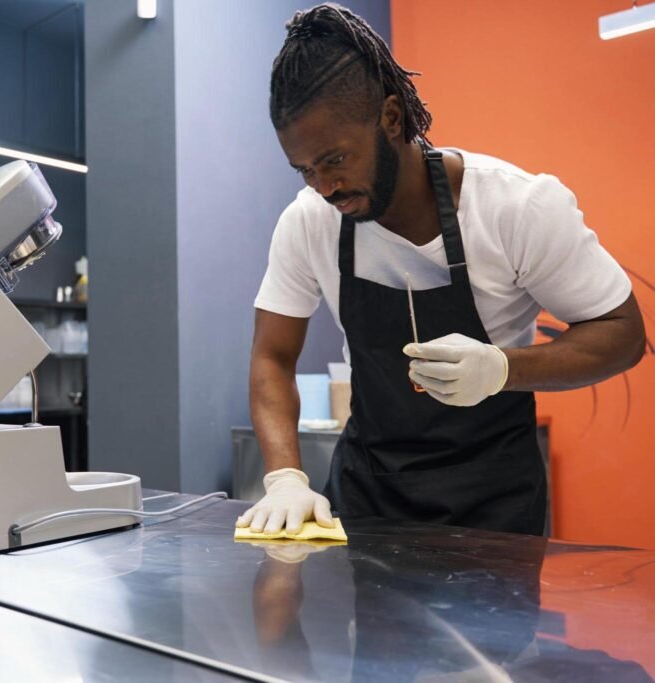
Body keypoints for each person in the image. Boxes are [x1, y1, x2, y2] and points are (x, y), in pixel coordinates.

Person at [237, 3, 646, 537]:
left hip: (494, 508)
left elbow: (624, 334)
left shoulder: (515, 208)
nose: (323, 186)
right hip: (369, 498)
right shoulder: (309, 223)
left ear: (390, 118)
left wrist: (502, 369)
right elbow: (272, 355)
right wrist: (285, 477)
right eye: (304, 169)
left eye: (335, 160)